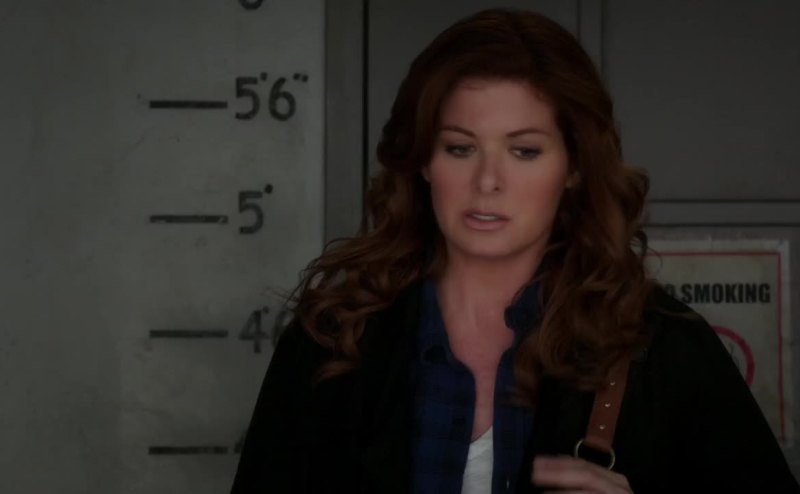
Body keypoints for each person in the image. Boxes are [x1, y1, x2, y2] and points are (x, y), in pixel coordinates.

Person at [230, 8, 799, 493]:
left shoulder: (667, 349)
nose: (488, 181)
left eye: (524, 151)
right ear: (423, 160)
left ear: (574, 167)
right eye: (460, 148)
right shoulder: (332, 340)